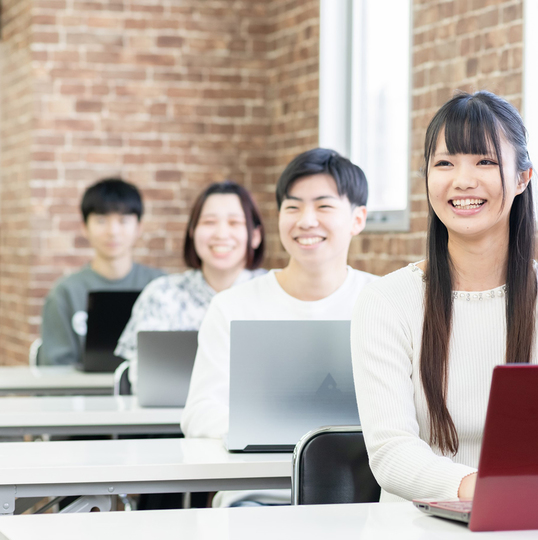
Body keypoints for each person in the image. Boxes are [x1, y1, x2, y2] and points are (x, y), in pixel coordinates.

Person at [350, 91, 538, 503]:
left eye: (485, 161)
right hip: (414, 524)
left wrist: (511, 501)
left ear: (523, 177)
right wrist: (490, 493)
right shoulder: (385, 302)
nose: (463, 180)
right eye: (445, 163)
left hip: (532, 521)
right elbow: (391, 453)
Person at [182, 148, 378, 440]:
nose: (306, 221)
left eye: (324, 206)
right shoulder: (231, 306)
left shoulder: (384, 302)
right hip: (254, 469)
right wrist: (285, 436)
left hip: (361, 469)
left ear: (358, 219)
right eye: (293, 207)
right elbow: (200, 413)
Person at [115, 181, 266, 389]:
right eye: (209, 222)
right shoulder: (162, 294)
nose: (221, 234)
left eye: (234, 223)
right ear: (192, 232)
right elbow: (138, 375)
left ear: (255, 236)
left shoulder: (274, 293)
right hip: (171, 410)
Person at [39, 178, 164, 366]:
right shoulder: (65, 293)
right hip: (80, 387)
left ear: (139, 227)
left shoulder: (160, 286)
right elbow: (55, 370)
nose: (112, 231)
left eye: (123, 221)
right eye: (101, 221)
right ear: (84, 227)